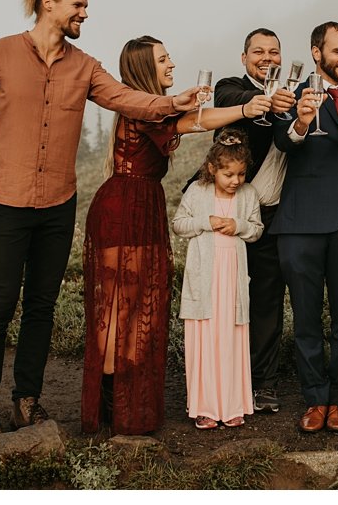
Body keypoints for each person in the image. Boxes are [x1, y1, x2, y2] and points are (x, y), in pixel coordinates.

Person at [0, 0, 203, 436]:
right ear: (48, 4)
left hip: (58, 203)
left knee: (42, 306)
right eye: (78, 5)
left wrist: (174, 103)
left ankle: (28, 400)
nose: (85, 13)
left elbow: (127, 99)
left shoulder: (84, 66)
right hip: (4, 198)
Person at [81, 36, 265, 436]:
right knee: (118, 308)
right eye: (163, 60)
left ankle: (124, 401)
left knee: (136, 305)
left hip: (143, 205)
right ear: (146, 68)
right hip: (123, 209)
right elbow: (194, 122)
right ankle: (113, 401)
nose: (171, 64)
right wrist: (244, 109)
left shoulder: (149, 108)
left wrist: (242, 110)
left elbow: (194, 120)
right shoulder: (139, 107)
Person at [265, 21, 338, 433]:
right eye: (337, 52)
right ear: (317, 53)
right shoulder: (291, 94)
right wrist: (299, 122)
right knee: (307, 317)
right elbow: (281, 140)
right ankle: (314, 398)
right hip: (301, 223)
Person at [208, 28, 298, 414]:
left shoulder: (294, 96)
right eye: (258, 51)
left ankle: (263, 383)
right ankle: (220, 378)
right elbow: (228, 98)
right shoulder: (231, 88)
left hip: (274, 215)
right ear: (244, 58)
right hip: (227, 212)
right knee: (223, 297)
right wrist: (264, 100)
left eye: (274, 52)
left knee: (266, 300)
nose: (267, 57)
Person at [171, 129, 264, 429]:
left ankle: (234, 404)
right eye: (228, 175)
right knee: (206, 341)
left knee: (231, 340)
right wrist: (205, 221)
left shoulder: (248, 194)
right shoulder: (197, 192)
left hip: (233, 280)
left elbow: (256, 229)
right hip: (204, 281)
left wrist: (238, 225)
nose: (235, 181)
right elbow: (179, 224)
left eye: (240, 174)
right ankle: (206, 406)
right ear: (212, 169)